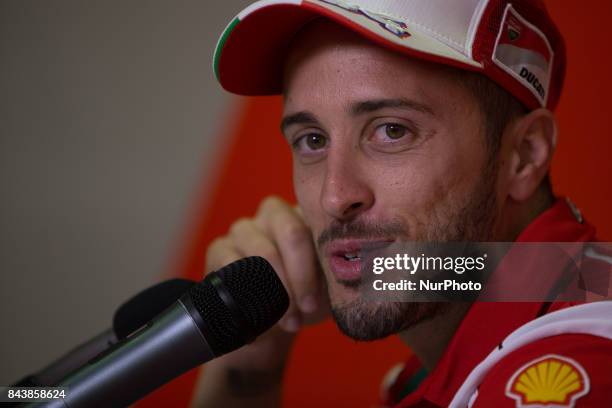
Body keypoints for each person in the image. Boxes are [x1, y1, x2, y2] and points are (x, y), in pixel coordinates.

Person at [193, 1, 612, 406]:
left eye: (392, 131)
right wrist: (254, 357)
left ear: (524, 155)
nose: (335, 197)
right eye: (313, 140)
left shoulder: (574, 368)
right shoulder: (499, 310)